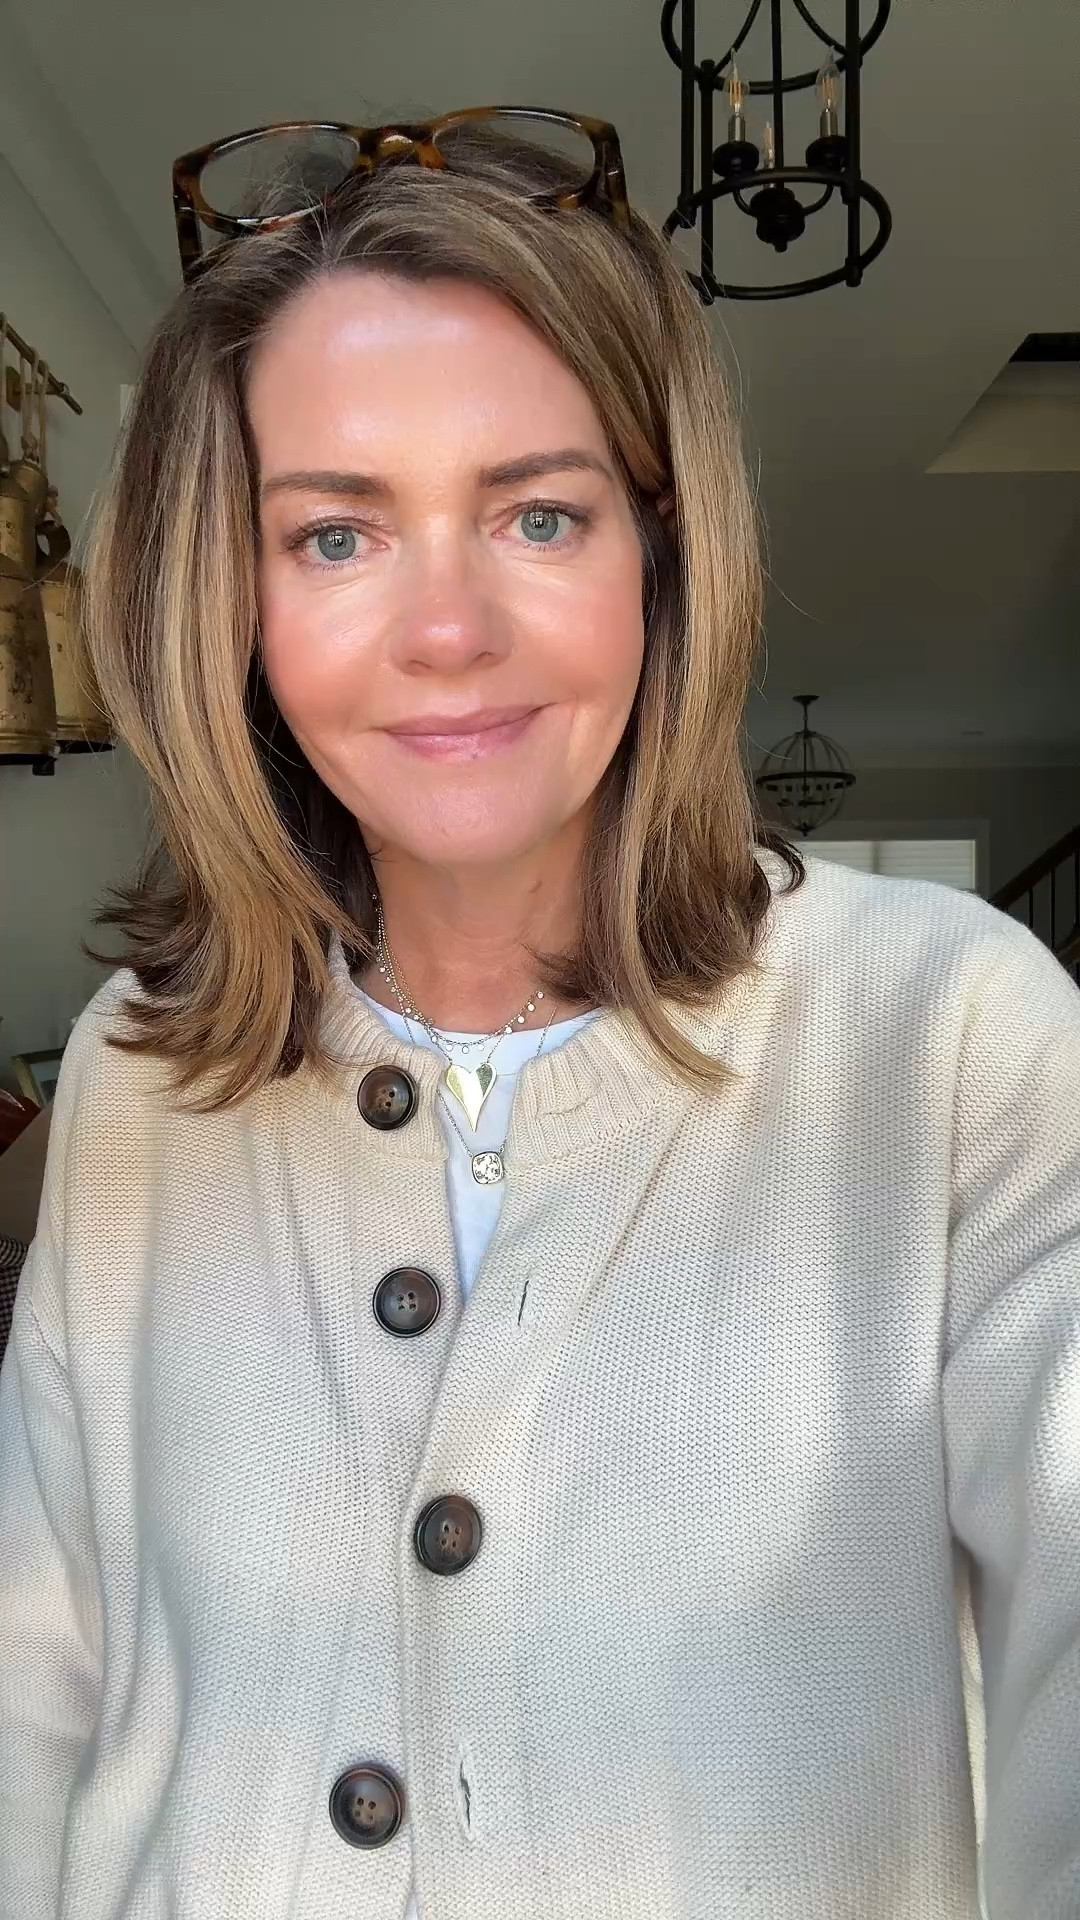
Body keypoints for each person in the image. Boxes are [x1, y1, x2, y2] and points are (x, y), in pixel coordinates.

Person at [0, 108, 1077, 1920]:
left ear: (660, 556)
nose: (448, 628)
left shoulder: (957, 1038)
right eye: (335, 535)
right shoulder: (139, 1062)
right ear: (229, 600)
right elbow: (39, 1670)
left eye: (541, 514)